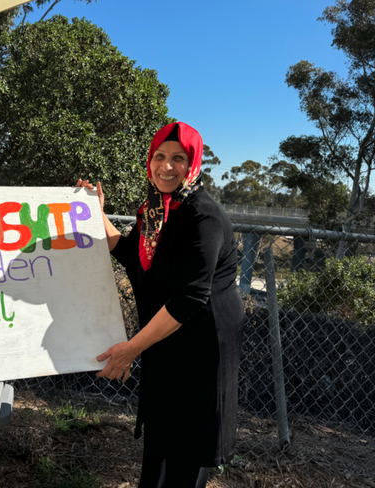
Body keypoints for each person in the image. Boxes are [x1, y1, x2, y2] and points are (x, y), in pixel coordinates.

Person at [76, 121, 244, 488]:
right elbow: (130, 254)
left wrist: (129, 350)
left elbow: (189, 297)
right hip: (166, 334)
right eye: (160, 156)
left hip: (201, 340)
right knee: (162, 436)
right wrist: (94, 212)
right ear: (149, 161)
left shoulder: (203, 216)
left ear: (193, 164)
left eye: (178, 158)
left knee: (186, 447)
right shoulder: (155, 212)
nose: (166, 166)